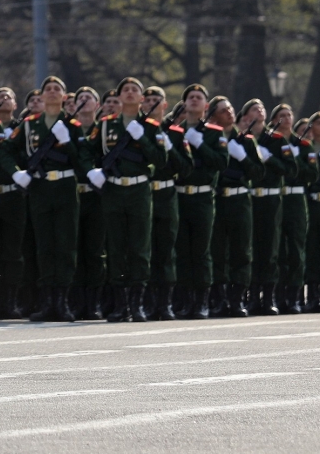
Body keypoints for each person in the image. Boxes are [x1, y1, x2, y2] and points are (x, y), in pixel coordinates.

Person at [3, 75, 83, 322]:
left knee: (65, 245)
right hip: (39, 187)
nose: (51, 92)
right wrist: (16, 173)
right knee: (45, 246)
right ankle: (48, 302)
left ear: (64, 96)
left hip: (65, 187)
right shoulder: (29, 124)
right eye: (47, 89)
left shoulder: (73, 125)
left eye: (56, 89)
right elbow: (6, 150)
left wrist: (68, 142)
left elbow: (82, 159)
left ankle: (63, 302)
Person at [90, 77, 165, 323]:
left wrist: (142, 138)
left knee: (139, 247)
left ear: (142, 98)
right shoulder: (105, 125)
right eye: (126, 90)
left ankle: (137, 304)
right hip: (113, 191)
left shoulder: (152, 127)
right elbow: (88, 153)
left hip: (139, 191)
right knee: (116, 247)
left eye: (135, 90)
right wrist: (92, 172)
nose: (130, 93)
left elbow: (161, 160)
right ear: (119, 97)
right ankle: (120, 304)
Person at [205, 96, 263, 318]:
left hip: (239, 200)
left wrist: (244, 157)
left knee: (241, 250)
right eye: (222, 110)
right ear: (213, 115)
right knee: (217, 251)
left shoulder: (245, 140)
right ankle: (219, 299)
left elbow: (258, 172)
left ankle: (237, 299)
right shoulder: (209, 138)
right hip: (217, 199)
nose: (229, 112)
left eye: (230, 108)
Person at [171, 84, 223, 318]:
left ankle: (202, 301)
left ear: (206, 105)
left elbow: (221, 163)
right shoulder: (174, 131)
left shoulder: (214, 133)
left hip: (202, 196)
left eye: (198, 97)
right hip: (180, 195)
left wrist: (200, 144)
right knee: (182, 250)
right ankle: (185, 299)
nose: (193, 100)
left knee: (201, 250)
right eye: (190, 97)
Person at [239, 99, 288, 315]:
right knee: (251, 249)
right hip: (250, 199)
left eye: (261, 107)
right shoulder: (242, 139)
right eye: (252, 109)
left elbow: (289, 169)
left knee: (269, 250)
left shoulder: (277, 140)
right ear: (246, 116)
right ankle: (251, 296)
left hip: (269, 200)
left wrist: (268, 158)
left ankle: (268, 298)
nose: (259, 110)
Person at [146, 86, 188, 320]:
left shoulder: (175, 133)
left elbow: (185, 167)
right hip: (143, 194)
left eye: (157, 100)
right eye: (148, 100)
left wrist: (170, 147)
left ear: (164, 105)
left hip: (166, 195)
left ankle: (165, 303)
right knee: (146, 250)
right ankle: (148, 302)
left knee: (166, 251)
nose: (152, 104)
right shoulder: (137, 130)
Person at [0, 87, 27, 319]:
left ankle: (11, 301)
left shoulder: (20, 129)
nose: (4, 100)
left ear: (15, 104)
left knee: (12, 252)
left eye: (9, 96)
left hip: (13, 195)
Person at [69, 87, 106, 319]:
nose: (84, 102)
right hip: (72, 195)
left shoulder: (102, 130)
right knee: (74, 250)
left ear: (97, 104)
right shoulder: (66, 130)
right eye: (79, 99)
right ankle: (76, 302)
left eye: (88, 99)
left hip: (96, 196)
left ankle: (93, 303)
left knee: (94, 251)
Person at [276, 114, 313, 313]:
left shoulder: (303, 146)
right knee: (278, 250)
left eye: (289, 115)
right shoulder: (270, 142)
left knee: (297, 251)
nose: (286, 119)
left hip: (296, 199)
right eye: (281, 116)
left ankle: (295, 298)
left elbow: (311, 174)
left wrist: (295, 158)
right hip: (277, 198)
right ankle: (278, 295)